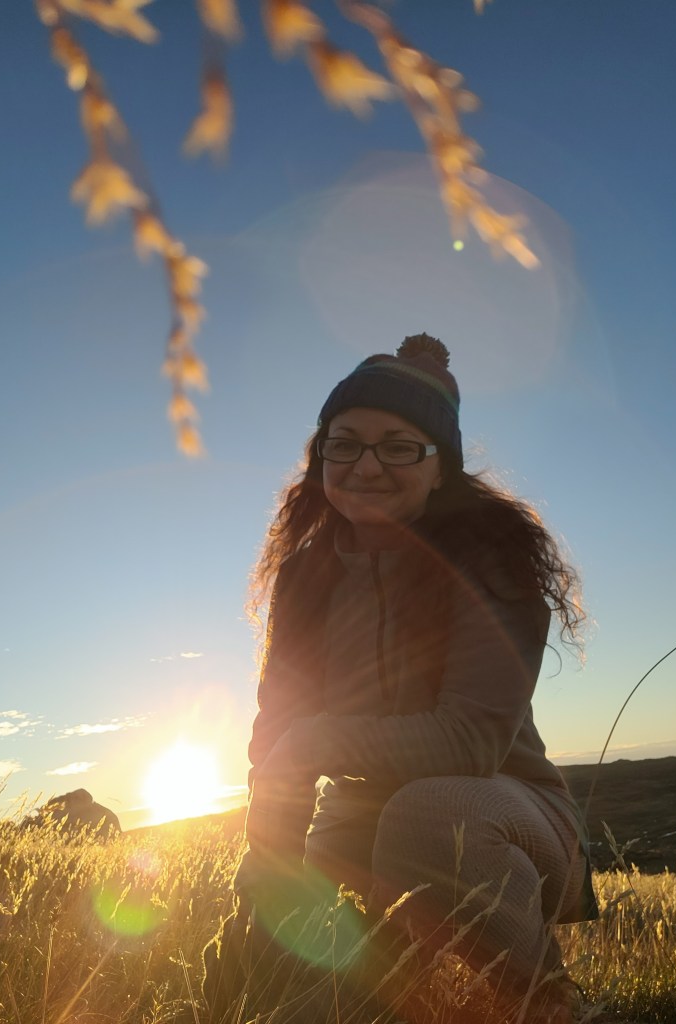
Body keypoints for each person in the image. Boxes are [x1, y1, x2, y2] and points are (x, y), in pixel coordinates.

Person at [208, 334, 597, 1024]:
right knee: (290, 1003)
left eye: (398, 446)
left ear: (439, 467)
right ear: (319, 456)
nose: (366, 465)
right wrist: (266, 877)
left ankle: (545, 1002)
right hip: (358, 824)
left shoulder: (490, 561)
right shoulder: (305, 576)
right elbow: (276, 734)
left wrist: (314, 740)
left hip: (497, 815)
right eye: (345, 443)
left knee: (425, 814)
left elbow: (470, 742)